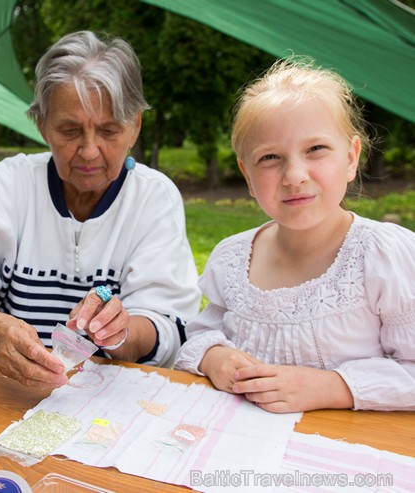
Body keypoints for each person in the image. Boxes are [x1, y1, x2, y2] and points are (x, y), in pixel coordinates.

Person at [0, 31, 201, 388]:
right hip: (11, 391)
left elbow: (165, 324)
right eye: (70, 130)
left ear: (135, 126)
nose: (89, 151)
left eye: (108, 130)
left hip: (107, 403)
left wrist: (120, 332)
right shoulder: (14, 182)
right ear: (42, 125)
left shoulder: (152, 198)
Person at [174, 58, 415, 413]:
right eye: (270, 157)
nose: (294, 175)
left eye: (315, 149)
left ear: (351, 157)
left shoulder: (382, 257)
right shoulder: (233, 258)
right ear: (247, 174)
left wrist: (333, 387)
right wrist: (214, 356)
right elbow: (202, 331)